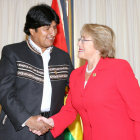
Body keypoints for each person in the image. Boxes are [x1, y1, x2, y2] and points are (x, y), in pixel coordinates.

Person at [35, 23, 140, 140]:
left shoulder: (119, 68)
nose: (79, 43)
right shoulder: (76, 75)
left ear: (100, 44)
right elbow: (70, 109)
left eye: (84, 40)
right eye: (80, 39)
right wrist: (50, 122)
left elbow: (137, 111)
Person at [0, 4, 73, 140]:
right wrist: (28, 119)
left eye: (54, 27)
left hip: (52, 131)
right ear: (32, 30)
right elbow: (4, 92)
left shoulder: (63, 57)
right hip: (19, 130)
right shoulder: (12, 53)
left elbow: (76, 90)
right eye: (47, 28)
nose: (53, 33)